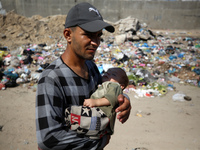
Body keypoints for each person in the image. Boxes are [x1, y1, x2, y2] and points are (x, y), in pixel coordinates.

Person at [36, 2, 131, 150]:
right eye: (88, 34)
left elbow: (106, 94)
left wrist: (123, 101)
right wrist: (100, 142)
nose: (95, 42)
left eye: (99, 35)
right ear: (68, 35)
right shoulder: (52, 78)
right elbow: (49, 138)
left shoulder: (91, 67)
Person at [65, 67, 129, 139]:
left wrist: (95, 102)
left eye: (113, 74)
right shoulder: (104, 85)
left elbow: (111, 99)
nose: (108, 73)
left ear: (121, 86)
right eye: (107, 72)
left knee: (75, 114)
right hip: (97, 116)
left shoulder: (114, 86)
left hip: (102, 115)